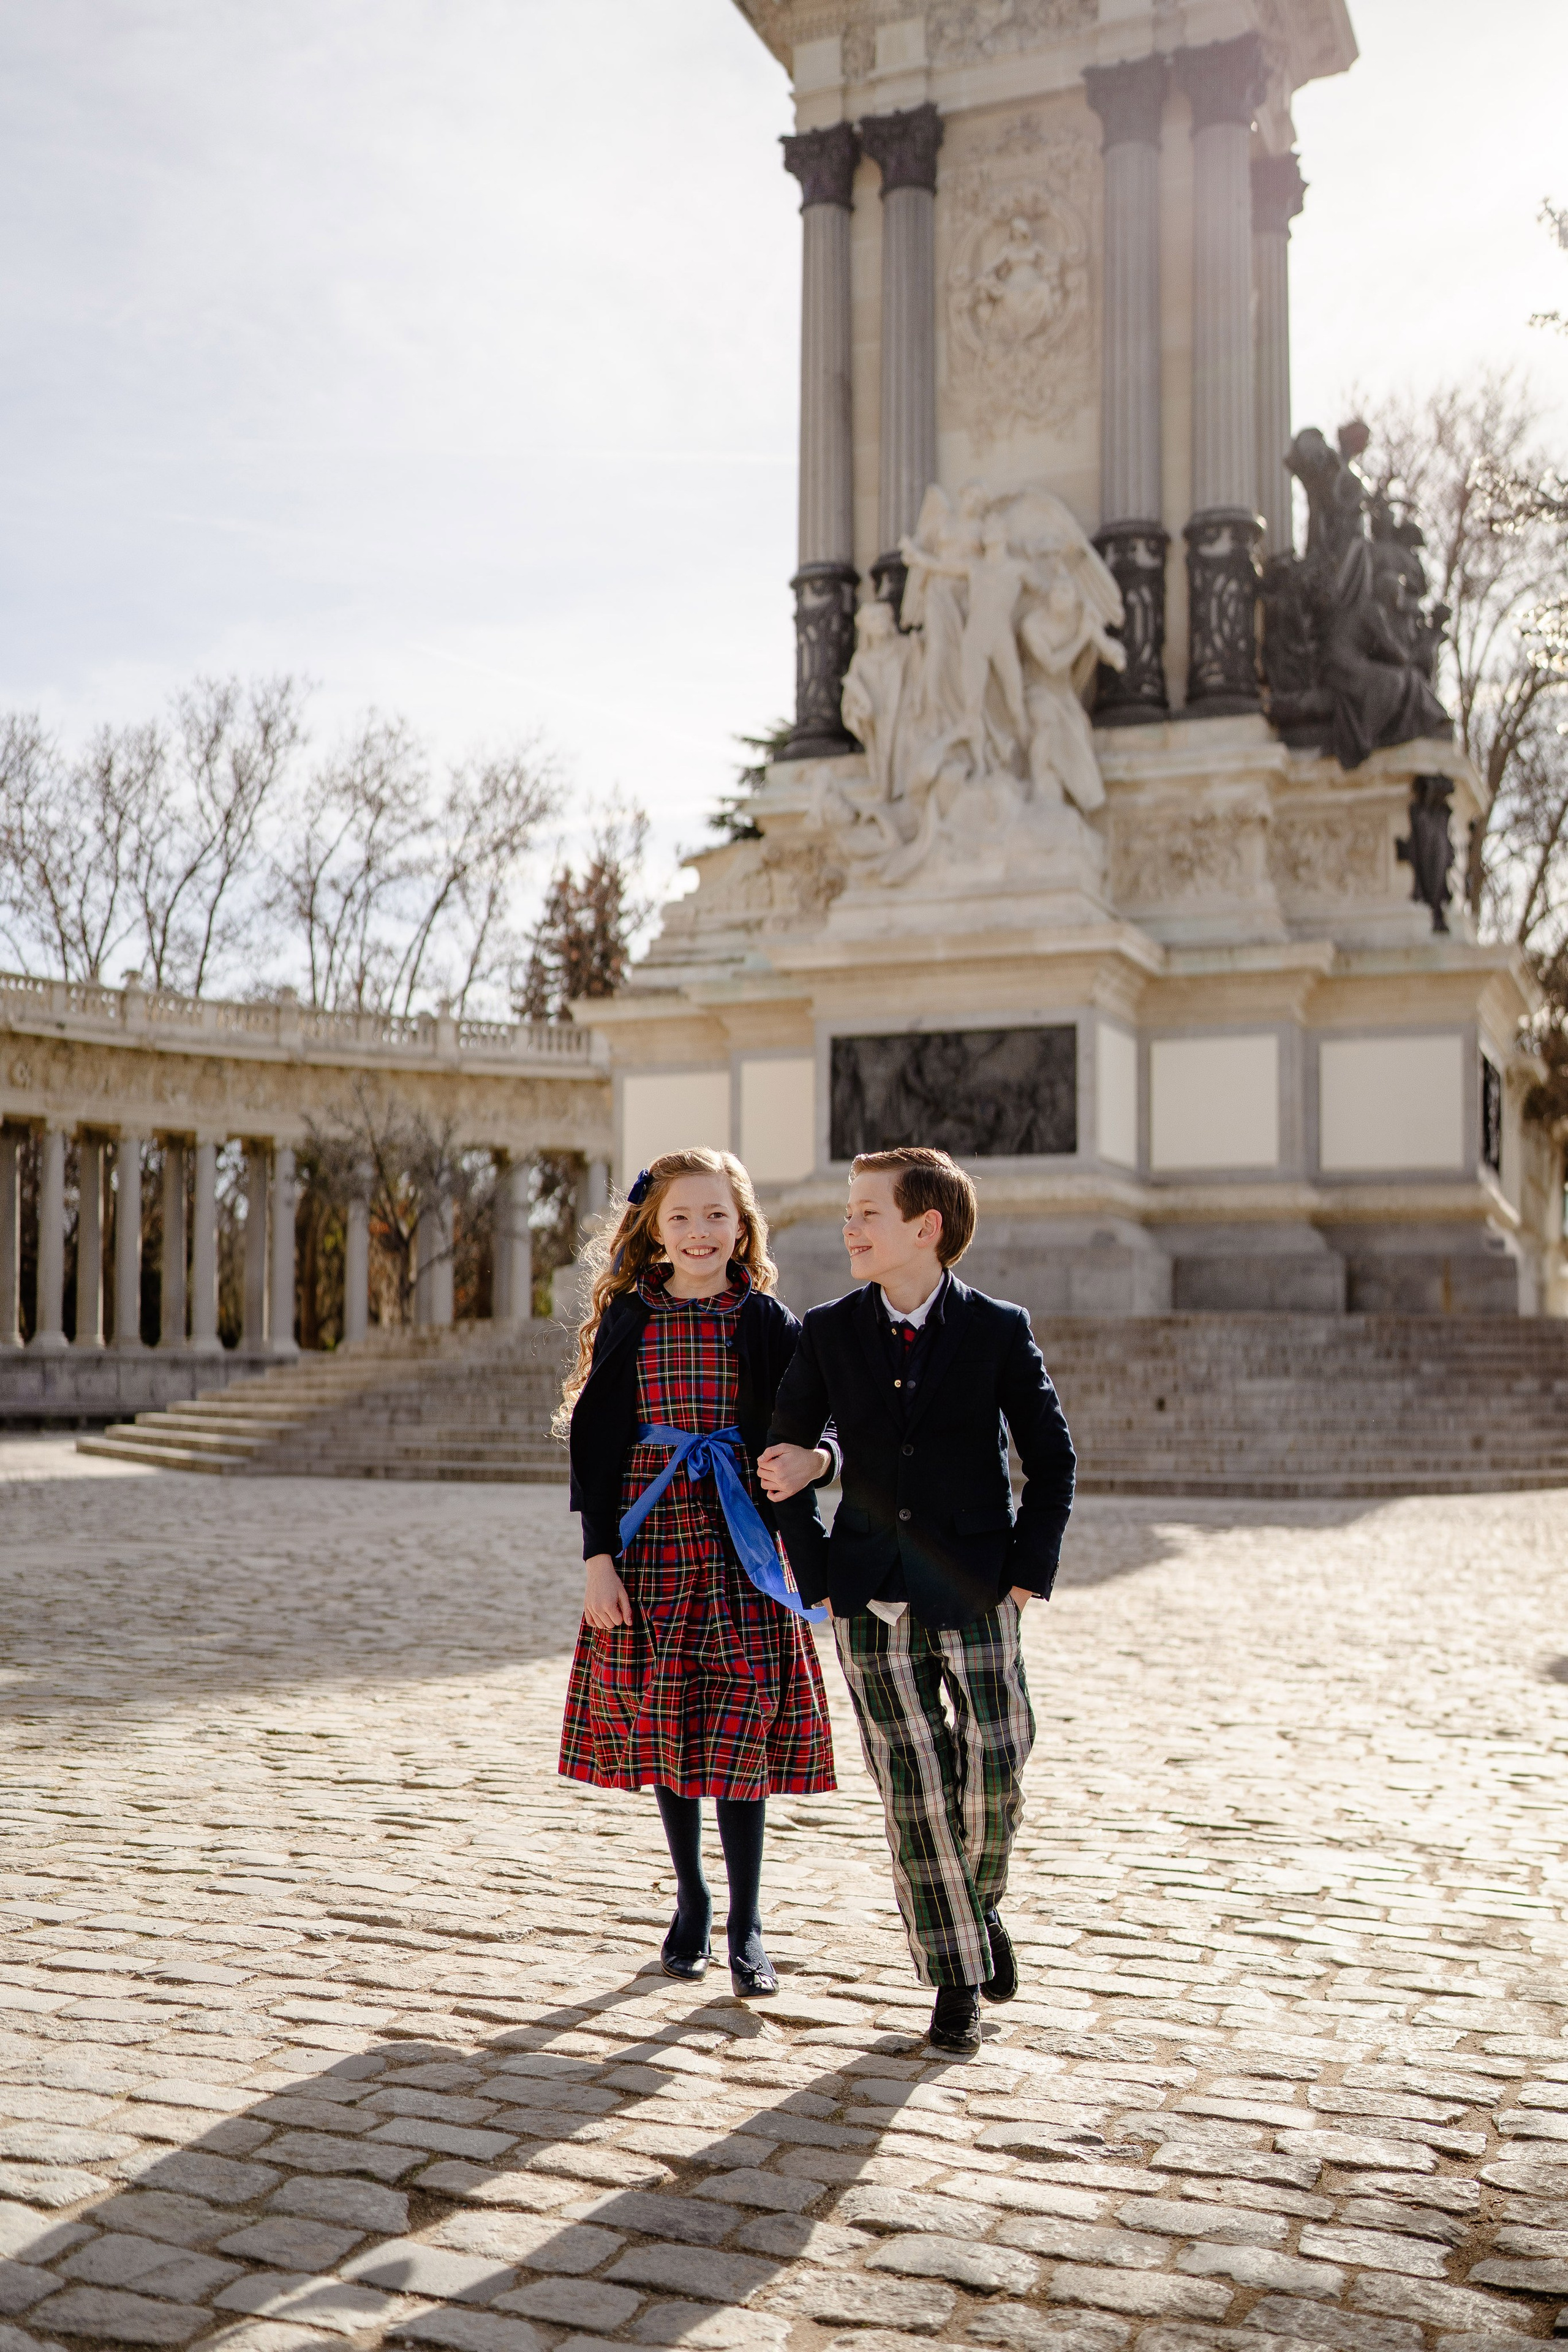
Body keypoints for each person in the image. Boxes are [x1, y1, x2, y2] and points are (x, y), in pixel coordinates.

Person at [758, 1147, 1076, 2056]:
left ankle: (976, 1911)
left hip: (977, 1590)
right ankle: (954, 1980)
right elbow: (783, 1458)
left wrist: (1027, 1569)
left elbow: (1051, 1462)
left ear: (926, 1229)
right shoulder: (826, 1331)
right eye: (850, 1213)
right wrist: (815, 1576)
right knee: (912, 1791)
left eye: (868, 1213)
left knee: (995, 1768)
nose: (849, 1228)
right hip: (866, 1595)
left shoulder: (999, 1330)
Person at [558, 1147, 838, 1997]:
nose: (699, 1232)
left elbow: (818, 1427)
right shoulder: (629, 1319)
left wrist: (816, 1469)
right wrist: (598, 1558)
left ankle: (748, 1920)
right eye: (680, 1217)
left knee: (739, 1725)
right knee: (670, 1720)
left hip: (742, 1548)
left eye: (716, 1215)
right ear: (654, 1228)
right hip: (652, 1545)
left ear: (742, 1225)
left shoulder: (768, 1322)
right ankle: (691, 1901)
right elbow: (596, 1447)